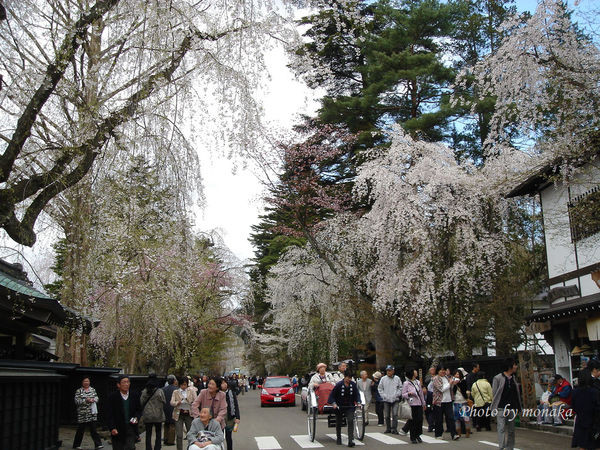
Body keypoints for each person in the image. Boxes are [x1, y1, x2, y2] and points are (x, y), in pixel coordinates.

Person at [492, 358, 522, 450]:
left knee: (511, 430)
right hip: (501, 407)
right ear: (510, 366)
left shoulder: (513, 378)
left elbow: (516, 394)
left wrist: (519, 407)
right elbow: (494, 393)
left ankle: (510, 447)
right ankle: (501, 447)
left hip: (512, 408)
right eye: (514, 365)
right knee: (501, 428)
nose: (516, 367)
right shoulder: (497, 378)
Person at [107, 375, 142, 450]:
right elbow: (109, 414)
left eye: (128, 382)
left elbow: (139, 410)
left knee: (130, 447)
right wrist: (112, 427)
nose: (126, 384)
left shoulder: (134, 395)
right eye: (124, 382)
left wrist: (136, 417)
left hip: (131, 426)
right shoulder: (112, 397)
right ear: (118, 385)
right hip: (118, 427)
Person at [328, 371, 360, 447]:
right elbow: (332, 396)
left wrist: (358, 402)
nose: (349, 379)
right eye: (348, 377)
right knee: (339, 422)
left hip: (350, 406)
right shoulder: (339, 385)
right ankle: (338, 437)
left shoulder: (353, 385)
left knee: (350, 420)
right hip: (339, 406)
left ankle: (350, 440)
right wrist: (334, 404)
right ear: (344, 377)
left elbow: (357, 395)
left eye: (350, 378)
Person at [72, 376, 103, 450]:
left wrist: (93, 400)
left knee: (94, 429)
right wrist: (85, 400)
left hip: (92, 413)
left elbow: (97, 398)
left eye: (87, 381)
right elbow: (76, 401)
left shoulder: (93, 390)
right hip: (82, 413)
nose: (86, 383)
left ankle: (98, 445)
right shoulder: (79, 391)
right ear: (82, 382)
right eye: (85, 381)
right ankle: (76, 445)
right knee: (80, 430)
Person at [572, 368, 600, 450]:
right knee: (595, 444)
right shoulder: (594, 392)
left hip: (581, 421)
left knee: (583, 445)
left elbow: (573, 406)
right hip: (593, 422)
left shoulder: (575, 392)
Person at [432, 365, 459, 441]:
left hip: (448, 401)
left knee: (451, 418)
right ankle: (438, 434)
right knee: (439, 419)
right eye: (441, 370)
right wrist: (450, 383)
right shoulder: (435, 379)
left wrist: (453, 383)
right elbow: (441, 389)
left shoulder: (447, 378)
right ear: (438, 371)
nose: (443, 371)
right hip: (439, 402)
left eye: (444, 370)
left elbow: (450, 388)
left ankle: (454, 434)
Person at [171, 376, 197, 450]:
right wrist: (177, 402)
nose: (183, 386)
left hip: (189, 414)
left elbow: (196, 400)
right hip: (179, 414)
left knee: (190, 433)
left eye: (185, 385)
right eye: (182, 385)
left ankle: (191, 448)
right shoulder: (176, 392)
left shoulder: (191, 391)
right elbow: (172, 402)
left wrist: (190, 402)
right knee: (179, 434)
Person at [141, 374, 166, 450]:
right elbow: (164, 401)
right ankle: (157, 447)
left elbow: (141, 402)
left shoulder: (144, 391)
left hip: (148, 415)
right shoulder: (159, 391)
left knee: (148, 433)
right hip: (158, 414)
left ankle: (148, 448)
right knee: (158, 433)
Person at [400, 368, 426, 444]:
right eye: (414, 372)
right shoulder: (406, 383)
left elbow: (421, 393)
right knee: (413, 421)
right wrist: (409, 394)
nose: (416, 373)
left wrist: (423, 403)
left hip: (419, 403)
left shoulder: (417, 382)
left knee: (420, 420)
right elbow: (403, 394)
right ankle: (413, 437)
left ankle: (418, 434)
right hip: (412, 404)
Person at [378, 364, 402, 434]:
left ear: (393, 371)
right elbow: (380, 388)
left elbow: (400, 387)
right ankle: (388, 428)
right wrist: (383, 396)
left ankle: (394, 428)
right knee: (387, 415)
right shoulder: (383, 379)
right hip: (386, 399)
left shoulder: (397, 378)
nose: (388, 372)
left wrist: (397, 394)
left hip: (395, 399)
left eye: (390, 371)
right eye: (387, 371)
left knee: (395, 414)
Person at [220, 379, 240, 450]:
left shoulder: (231, 393)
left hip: (230, 417)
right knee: (220, 436)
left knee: (229, 436)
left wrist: (237, 417)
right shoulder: (217, 394)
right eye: (222, 383)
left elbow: (236, 405)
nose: (224, 384)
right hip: (220, 417)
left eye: (225, 383)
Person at [452, 369, 471, 438]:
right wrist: (453, 384)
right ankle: (458, 432)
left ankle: (468, 431)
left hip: (463, 401)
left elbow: (464, 390)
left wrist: (458, 383)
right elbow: (452, 391)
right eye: (456, 374)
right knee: (457, 418)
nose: (457, 375)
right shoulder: (452, 383)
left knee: (466, 418)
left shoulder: (463, 382)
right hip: (456, 402)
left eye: (458, 374)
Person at [163, 374, 178, 446]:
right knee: (172, 425)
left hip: (165, 408)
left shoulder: (163, 389)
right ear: (174, 381)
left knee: (166, 424)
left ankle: (165, 438)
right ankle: (171, 440)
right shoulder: (176, 389)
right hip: (173, 408)